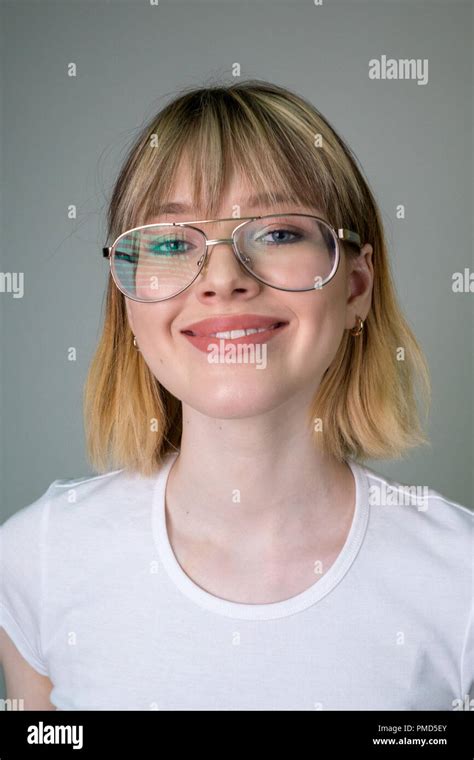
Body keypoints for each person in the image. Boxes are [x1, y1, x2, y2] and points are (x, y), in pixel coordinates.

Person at [1, 80, 472, 711]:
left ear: (356, 287)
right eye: (171, 241)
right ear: (126, 303)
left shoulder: (461, 579)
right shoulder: (35, 559)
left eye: (277, 233)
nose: (223, 279)